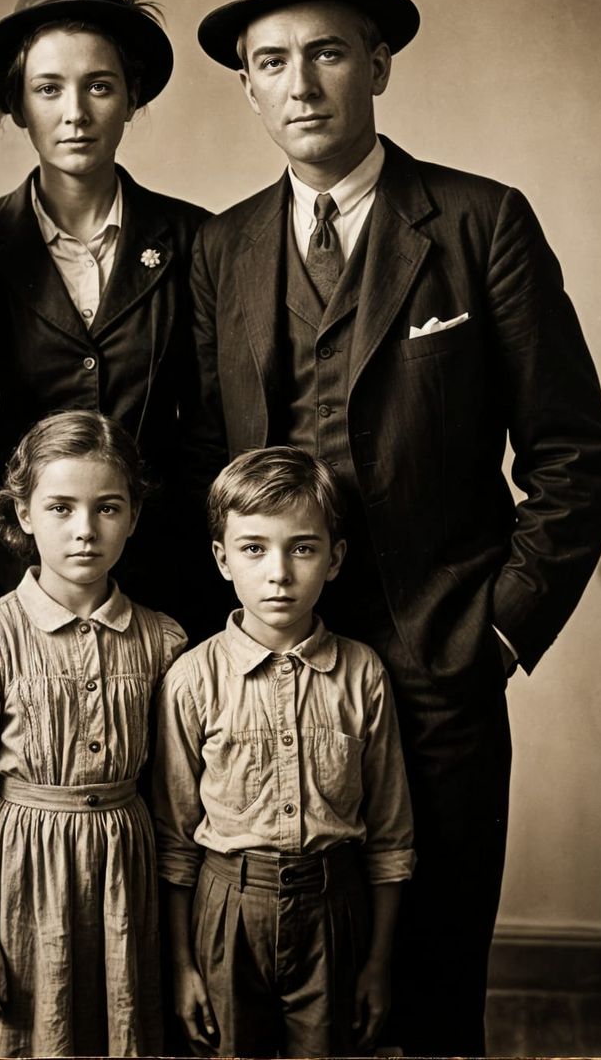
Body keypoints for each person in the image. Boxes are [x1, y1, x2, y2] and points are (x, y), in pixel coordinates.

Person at [187, 0, 601, 1056]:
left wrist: (500, 632)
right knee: (275, 1002)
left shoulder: (481, 222)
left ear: (378, 64)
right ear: (247, 85)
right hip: (267, 681)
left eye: (328, 52)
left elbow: (575, 453)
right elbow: (205, 464)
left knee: (429, 999)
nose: (301, 84)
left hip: (439, 670)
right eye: (273, 62)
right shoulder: (223, 251)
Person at [0, 0, 210, 618]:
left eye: (100, 86)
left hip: (161, 582)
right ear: (16, 106)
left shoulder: (196, 238)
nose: (75, 113)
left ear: (133, 97)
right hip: (12, 583)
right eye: (48, 89)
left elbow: (213, 426)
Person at [0, 410, 186, 1057]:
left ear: (134, 516)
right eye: (61, 508)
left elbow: (178, 799)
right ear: (23, 514)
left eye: (108, 508)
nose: (85, 530)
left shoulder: (164, 642)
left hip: (126, 879)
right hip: (20, 877)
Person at [154, 446, 415, 1058]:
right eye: (253, 548)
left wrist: (378, 964)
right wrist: (183, 966)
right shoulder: (192, 679)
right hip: (227, 910)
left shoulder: (363, 675)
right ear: (222, 558)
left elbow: (391, 839)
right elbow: (174, 842)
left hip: (334, 911)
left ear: (335, 558)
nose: (279, 572)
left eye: (302, 548)